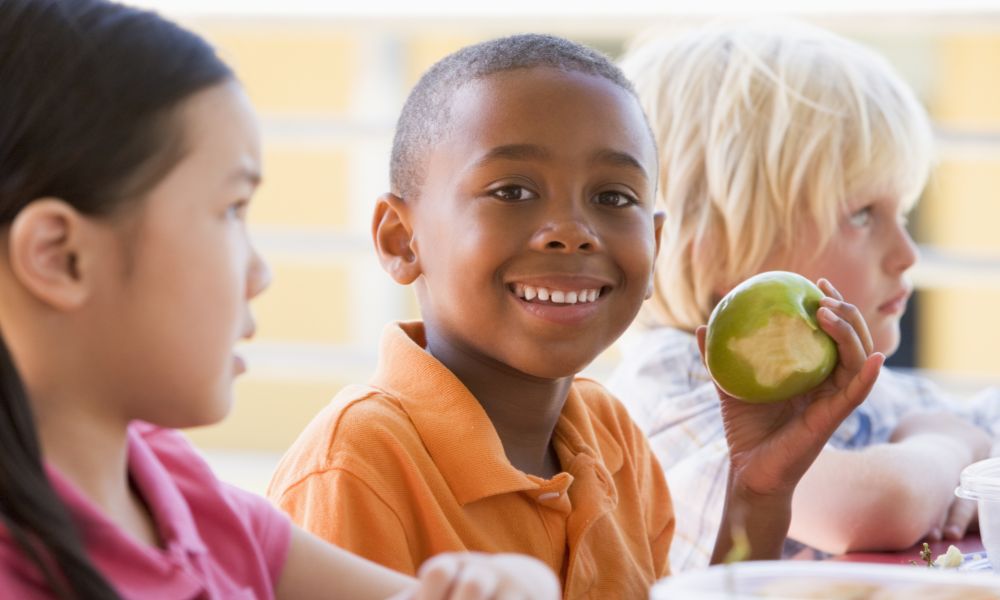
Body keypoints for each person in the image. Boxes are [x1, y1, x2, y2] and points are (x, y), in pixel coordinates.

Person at [267, 32, 883, 597]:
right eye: (512, 191)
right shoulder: (356, 464)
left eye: (613, 197)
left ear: (656, 245)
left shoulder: (609, 437)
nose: (571, 232)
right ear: (402, 240)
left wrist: (759, 490)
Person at [0, 1, 561, 598]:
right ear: (62, 256)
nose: (260, 273)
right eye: (230, 210)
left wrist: (505, 584)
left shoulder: (171, 484)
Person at [606, 20, 998, 572]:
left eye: (901, 213)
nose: (907, 253)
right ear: (720, 253)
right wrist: (949, 447)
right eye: (862, 216)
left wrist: (964, 447)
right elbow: (869, 507)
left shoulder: (856, 379)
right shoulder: (675, 387)